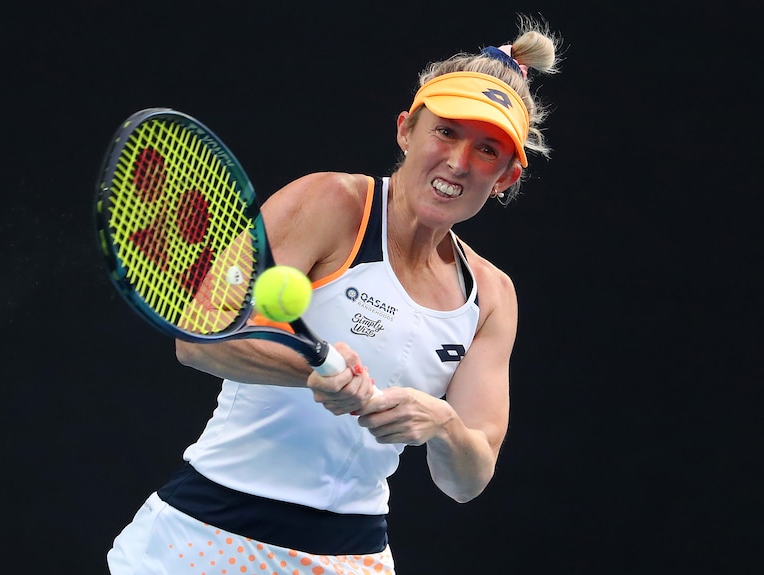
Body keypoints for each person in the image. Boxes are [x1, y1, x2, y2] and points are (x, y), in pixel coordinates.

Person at [108, 16, 561, 575]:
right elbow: (197, 342)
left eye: (487, 150)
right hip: (206, 536)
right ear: (405, 130)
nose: (458, 162)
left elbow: (467, 480)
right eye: (446, 132)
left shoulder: (492, 296)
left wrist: (441, 423)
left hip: (352, 558)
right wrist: (309, 373)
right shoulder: (331, 203)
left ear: (505, 179)